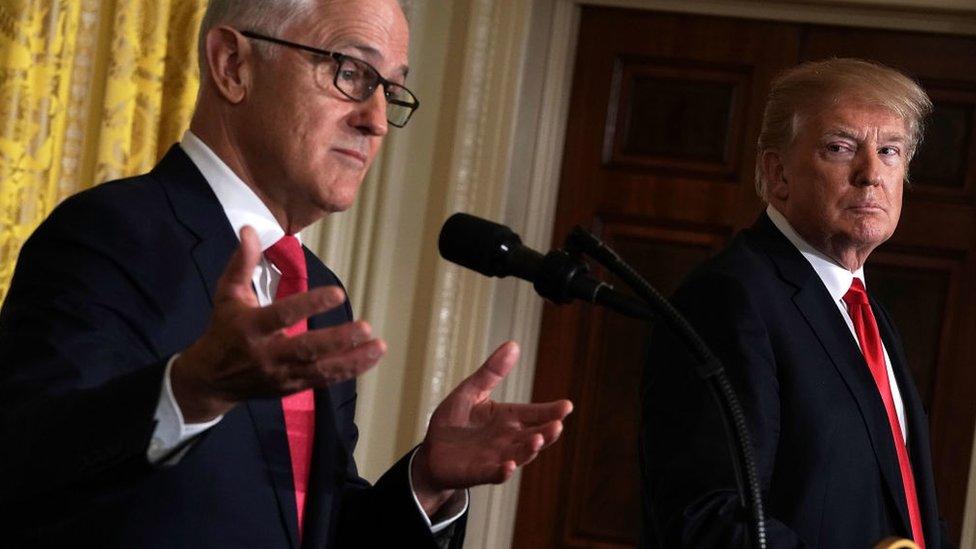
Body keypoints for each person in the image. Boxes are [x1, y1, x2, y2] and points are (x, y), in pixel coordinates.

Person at [0, 0, 572, 547]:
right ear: (233, 65)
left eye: (390, 89)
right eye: (351, 72)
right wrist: (191, 390)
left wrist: (426, 483)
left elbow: (309, 530)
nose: (377, 121)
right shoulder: (112, 234)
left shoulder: (321, 297)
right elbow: (25, 468)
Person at [640, 58, 953, 548]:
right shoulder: (731, 297)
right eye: (840, 148)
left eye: (890, 151)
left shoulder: (862, 307)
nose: (871, 174)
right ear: (777, 171)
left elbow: (901, 503)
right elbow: (708, 517)